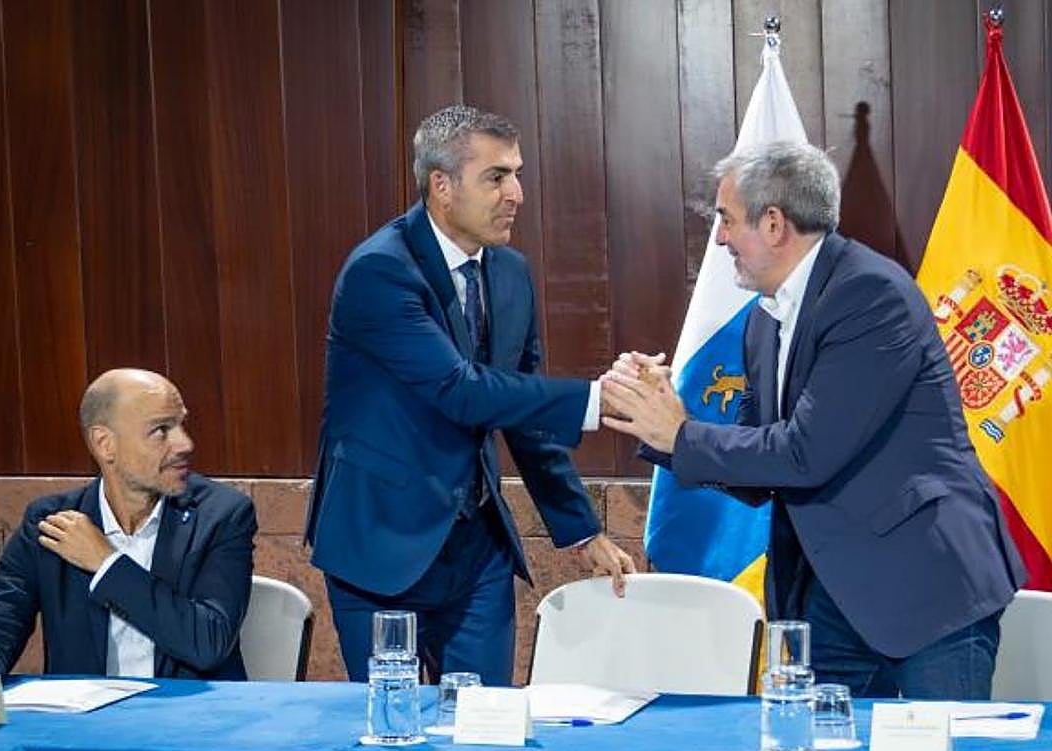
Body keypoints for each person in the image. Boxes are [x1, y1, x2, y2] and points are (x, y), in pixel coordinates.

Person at [602, 141, 1025, 699]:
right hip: (828, 597)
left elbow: (805, 454)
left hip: (925, 588)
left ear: (774, 223)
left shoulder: (870, 295)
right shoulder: (763, 321)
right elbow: (760, 467)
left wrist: (679, 435)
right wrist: (665, 421)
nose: (721, 237)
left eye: (726, 220)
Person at [305, 104, 634, 686]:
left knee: (486, 728)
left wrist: (581, 528)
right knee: (396, 739)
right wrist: (594, 400)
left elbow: (522, 413)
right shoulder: (379, 272)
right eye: (497, 177)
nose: (517, 194)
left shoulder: (510, 274)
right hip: (381, 545)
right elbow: (459, 390)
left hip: (477, 548)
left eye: (517, 173)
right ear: (441, 186)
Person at [0, 369, 256, 688]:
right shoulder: (51, 521)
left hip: (192, 729)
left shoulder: (222, 515)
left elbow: (208, 641)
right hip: (84, 731)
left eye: (182, 424)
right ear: (105, 444)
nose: (185, 443)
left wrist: (107, 563)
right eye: (161, 430)